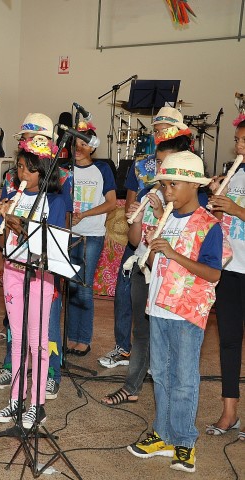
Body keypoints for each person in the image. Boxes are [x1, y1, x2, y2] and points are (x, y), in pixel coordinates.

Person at [127, 151, 227, 473]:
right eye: (164, 183)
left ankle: (185, 440)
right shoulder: (165, 219)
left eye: (173, 184)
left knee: (184, 378)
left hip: (186, 314)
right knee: (160, 373)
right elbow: (157, 264)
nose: (166, 190)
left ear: (192, 186)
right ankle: (163, 433)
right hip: (158, 307)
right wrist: (154, 254)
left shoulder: (208, 225)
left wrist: (171, 254)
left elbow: (213, 274)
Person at [101, 135, 193, 406]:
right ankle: (131, 386)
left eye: (164, 163)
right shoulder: (148, 193)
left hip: (171, 277)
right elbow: (133, 240)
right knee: (140, 332)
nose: (157, 169)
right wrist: (138, 218)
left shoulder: (186, 203)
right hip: (144, 269)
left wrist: (163, 209)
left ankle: (172, 399)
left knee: (170, 338)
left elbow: (182, 244)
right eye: (157, 163)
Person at [0, 136, 67, 429]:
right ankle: (15, 400)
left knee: (38, 342)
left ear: (45, 171)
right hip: (13, 270)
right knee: (18, 339)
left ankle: (37, 404)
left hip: (40, 275)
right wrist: (3, 219)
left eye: (29, 169)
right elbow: (1, 240)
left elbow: (53, 241)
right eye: (19, 168)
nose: (21, 175)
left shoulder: (54, 201)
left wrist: (20, 225)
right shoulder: (16, 197)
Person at [205, 114, 245, 440]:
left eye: (244, 141)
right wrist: (217, 203)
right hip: (231, 269)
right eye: (238, 141)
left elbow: (236, 212)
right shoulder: (237, 174)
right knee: (229, 341)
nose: (238, 146)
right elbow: (221, 219)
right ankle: (229, 410)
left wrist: (235, 208)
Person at [65, 122, 117, 356]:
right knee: (72, 286)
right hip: (69, 233)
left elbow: (111, 203)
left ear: (93, 148)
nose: (79, 147)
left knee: (85, 287)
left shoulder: (103, 169)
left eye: (84, 143)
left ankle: (83, 338)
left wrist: (83, 215)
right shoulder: (66, 169)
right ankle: (71, 336)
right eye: (76, 143)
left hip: (92, 234)